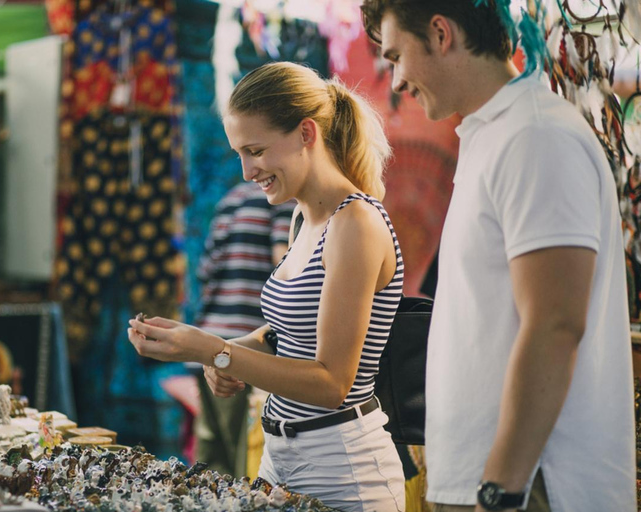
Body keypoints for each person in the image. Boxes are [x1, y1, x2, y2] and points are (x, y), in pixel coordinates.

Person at [360, 1, 635, 511]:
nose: (395, 81)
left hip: (531, 487)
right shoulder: (493, 134)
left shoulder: (535, 135)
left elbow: (555, 324)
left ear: (441, 33)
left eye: (396, 56)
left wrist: (499, 489)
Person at [128, 61, 406, 512]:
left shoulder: (354, 222)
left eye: (255, 150)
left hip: (342, 474)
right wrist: (215, 346)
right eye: (240, 152)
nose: (245, 171)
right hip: (281, 463)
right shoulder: (303, 217)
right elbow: (283, 337)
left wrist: (214, 352)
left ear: (306, 134)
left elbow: (332, 383)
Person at [193, 180, 295, 477]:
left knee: (210, 467)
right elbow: (285, 264)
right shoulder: (282, 201)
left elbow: (205, 270)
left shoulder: (229, 199)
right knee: (243, 465)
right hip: (249, 347)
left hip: (211, 340)